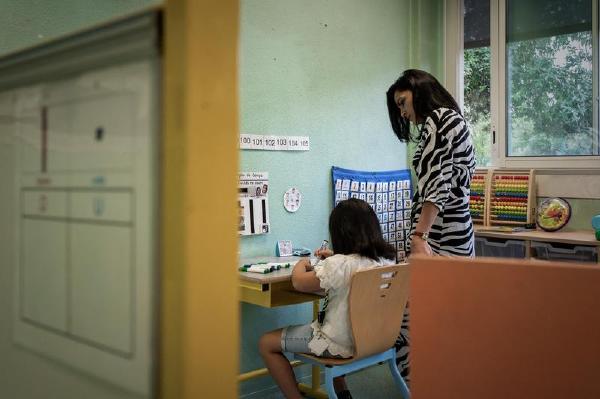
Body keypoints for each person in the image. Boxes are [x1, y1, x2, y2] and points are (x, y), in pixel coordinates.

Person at [386, 69, 476, 381]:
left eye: (402, 101)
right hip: (455, 238)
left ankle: (419, 388)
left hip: (439, 240)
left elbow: (437, 181)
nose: (402, 111)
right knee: (445, 322)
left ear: (419, 90)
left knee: (407, 323)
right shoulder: (453, 119)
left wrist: (420, 236)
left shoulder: (438, 118)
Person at [258, 198, 397, 399]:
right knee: (331, 328)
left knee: (266, 343)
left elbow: (298, 282)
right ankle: (343, 395)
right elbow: (354, 265)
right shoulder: (388, 258)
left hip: (339, 344)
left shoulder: (339, 265)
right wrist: (333, 259)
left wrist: (302, 262)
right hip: (375, 340)